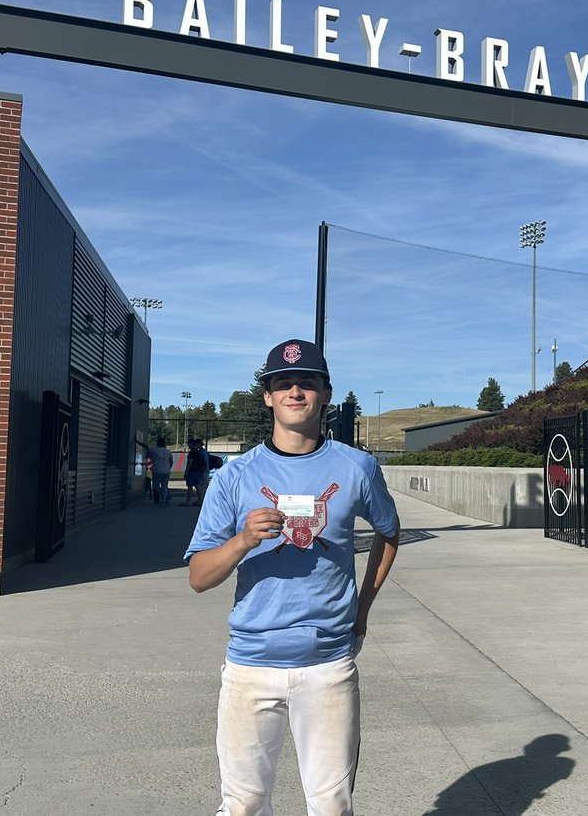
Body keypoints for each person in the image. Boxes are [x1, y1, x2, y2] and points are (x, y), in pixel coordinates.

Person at [185, 338, 400, 816]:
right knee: (242, 806)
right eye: (284, 384)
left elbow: (388, 531)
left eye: (307, 382)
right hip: (250, 666)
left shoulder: (356, 467)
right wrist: (242, 541)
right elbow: (199, 577)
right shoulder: (234, 477)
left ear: (325, 393)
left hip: (327, 664)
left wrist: (361, 609)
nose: (295, 392)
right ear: (267, 395)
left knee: (330, 806)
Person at [138, 435, 174, 506]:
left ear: (157, 443)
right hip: (166, 471)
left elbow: (146, 446)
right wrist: (168, 468)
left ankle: (164, 495)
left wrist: (137, 441)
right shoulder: (168, 451)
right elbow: (171, 461)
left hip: (157, 471)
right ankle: (164, 498)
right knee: (164, 486)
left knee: (155, 486)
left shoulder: (154, 450)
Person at [182, 437, 208, 507]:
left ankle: (188, 501)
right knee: (197, 486)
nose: (188, 446)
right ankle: (200, 499)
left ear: (191, 444)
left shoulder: (192, 452)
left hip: (192, 471)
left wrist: (186, 471)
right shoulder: (198, 452)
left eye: (188, 444)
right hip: (198, 471)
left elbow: (190, 462)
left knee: (190, 486)